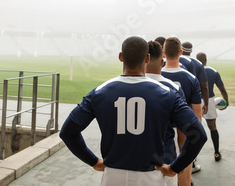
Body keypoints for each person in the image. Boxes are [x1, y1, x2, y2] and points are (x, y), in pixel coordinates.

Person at [60, 36, 207, 186]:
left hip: (112, 176)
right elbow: (198, 135)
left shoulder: (99, 92)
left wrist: (93, 161)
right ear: (147, 58)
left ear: (120, 57)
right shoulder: (168, 94)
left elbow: (67, 132)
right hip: (152, 177)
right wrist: (175, 168)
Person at [161, 37, 203, 186]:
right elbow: (197, 112)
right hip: (184, 126)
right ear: (180, 52)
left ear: (163, 52)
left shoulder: (156, 75)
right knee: (184, 162)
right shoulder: (191, 78)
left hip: (162, 128)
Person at [146, 40, 186, 186]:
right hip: (165, 158)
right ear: (162, 62)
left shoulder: (123, 87)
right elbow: (184, 129)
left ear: (144, 59)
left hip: (130, 161)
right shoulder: (173, 88)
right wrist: (181, 159)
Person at [180, 41, 209, 173]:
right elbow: (204, 86)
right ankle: (190, 165)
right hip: (190, 104)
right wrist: (206, 103)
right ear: (191, 50)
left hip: (172, 105)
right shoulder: (197, 64)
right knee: (191, 135)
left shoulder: (169, 61)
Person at [196, 52, 229, 162]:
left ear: (196, 59)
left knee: (194, 128)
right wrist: (226, 101)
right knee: (212, 126)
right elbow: (222, 89)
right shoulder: (213, 71)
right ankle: (216, 152)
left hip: (195, 101)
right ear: (206, 59)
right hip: (209, 100)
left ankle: (193, 158)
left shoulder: (192, 71)